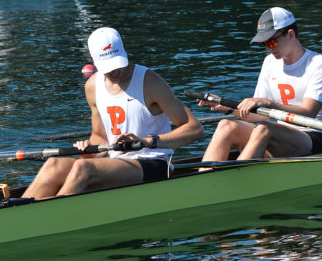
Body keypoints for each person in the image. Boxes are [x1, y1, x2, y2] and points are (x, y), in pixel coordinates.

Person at [23, 27, 203, 199]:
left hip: (154, 164)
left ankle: (47, 219)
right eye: (108, 66)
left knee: (83, 168)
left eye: (117, 62)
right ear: (91, 58)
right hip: (116, 163)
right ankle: (19, 217)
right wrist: (87, 151)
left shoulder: (150, 82)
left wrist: (145, 141)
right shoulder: (92, 86)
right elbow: (101, 139)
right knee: (54, 165)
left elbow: (195, 129)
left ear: (123, 47)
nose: (115, 71)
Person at [200, 7, 322, 163]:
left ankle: (236, 179)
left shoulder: (319, 64)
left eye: (271, 41)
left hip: (312, 138)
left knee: (265, 128)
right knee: (226, 125)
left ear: (291, 35)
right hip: (278, 136)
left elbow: (308, 113)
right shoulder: (269, 63)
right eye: (264, 43)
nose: (268, 48)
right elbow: (257, 114)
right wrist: (229, 107)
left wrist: (269, 103)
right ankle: (204, 176)